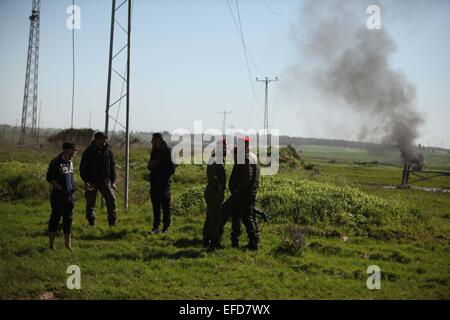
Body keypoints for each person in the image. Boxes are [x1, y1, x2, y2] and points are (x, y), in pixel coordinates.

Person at [220, 137, 261, 250]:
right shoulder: (253, 156)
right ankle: (237, 241)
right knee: (237, 215)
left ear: (245, 145)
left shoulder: (246, 158)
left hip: (243, 195)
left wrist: (237, 189)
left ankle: (254, 242)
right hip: (248, 193)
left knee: (247, 217)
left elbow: (246, 178)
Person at [80, 132, 117, 226]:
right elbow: (83, 168)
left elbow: (112, 166)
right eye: (102, 138)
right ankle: (91, 222)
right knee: (90, 203)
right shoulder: (89, 151)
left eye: (105, 138)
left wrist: (113, 181)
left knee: (111, 200)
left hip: (105, 181)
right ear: (96, 140)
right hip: (92, 182)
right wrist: (86, 181)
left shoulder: (108, 151)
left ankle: (112, 223)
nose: (104, 140)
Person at [46, 142, 77, 251]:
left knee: (68, 220)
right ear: (67, 150)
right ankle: (51, 245)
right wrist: (60, 188)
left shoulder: (70, 162)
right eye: (74, 151)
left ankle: (67, 245)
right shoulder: (56, 161)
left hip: (70, 197)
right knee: (55, 219)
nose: (75, 153)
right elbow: (49, 178)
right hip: (58, 197)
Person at [148, 133, 176, 234]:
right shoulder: (154, 151)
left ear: (159, 140)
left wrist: (159, 164)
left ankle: (166, 228)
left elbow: (172, 168)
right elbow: (150, 166)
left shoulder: (168, 151)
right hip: (154, 182)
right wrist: (151, 165)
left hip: (164, 183)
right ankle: (156, 227)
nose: (152, 142)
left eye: (154, 140)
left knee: (165, 206)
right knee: (155, 206)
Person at [203, 139, 227, 249]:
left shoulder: (215, 158)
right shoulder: (217, 159)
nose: (225, 150)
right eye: (224, 147)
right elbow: (213, 177)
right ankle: (214, 242)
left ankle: (206, 239)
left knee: (210, 217)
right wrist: (219, 185)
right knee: (215, 218)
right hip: (214, 193)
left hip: (211, 192)